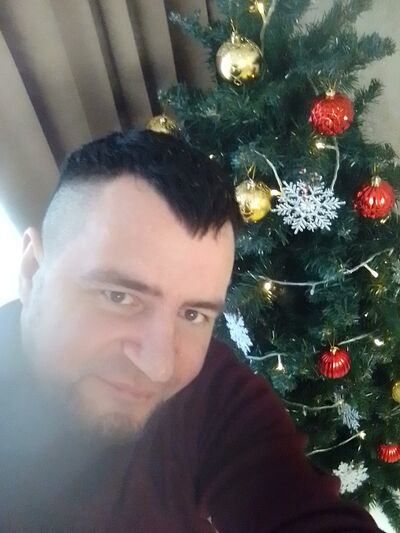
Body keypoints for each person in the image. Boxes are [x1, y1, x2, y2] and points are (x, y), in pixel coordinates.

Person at [0, 129, 381, 532]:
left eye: (193, 314)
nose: (158, 366)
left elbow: (302, 508)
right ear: (31, 272)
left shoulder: (208, 386)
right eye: (118, 296)